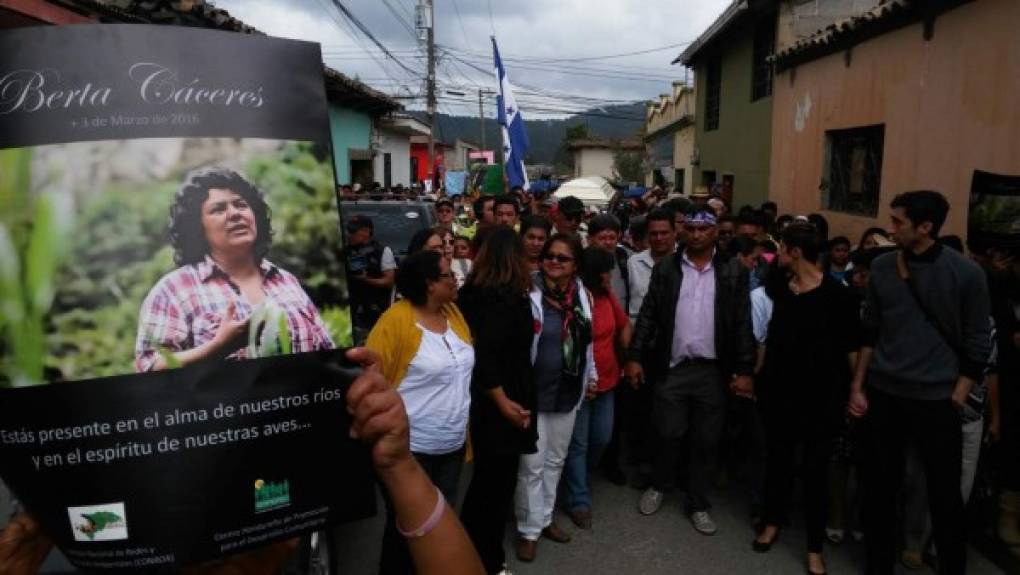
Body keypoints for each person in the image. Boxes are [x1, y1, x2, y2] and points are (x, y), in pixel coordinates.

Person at [848, 190, 992, 575]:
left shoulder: (966, 274)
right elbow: (870, 332)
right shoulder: (881, 268)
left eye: (898, 222)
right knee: (879, 490)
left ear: (925, 227)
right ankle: (877, 566)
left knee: (944, 497)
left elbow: (980, 340)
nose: (890, 229)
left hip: (937, 401)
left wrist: (958, 395)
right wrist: (858, 386)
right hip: (884, 395)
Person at [626, 209, 755, 536]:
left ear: (715, 232)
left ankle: (698, 503)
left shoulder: (732, 270)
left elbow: (741, 323)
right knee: (667, 432)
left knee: (705, 440)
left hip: (712, 371)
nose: (697, 234)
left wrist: (743, 369)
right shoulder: (667, 268)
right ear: (683, 231)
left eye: (704, 229)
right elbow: (649, 316)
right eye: (692, 228)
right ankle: (659, 484)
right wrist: (636, 356)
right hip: (673, 368)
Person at [135, 168, 334, 372]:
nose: (235, 213)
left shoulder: (287, 281)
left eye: (241, 204)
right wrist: (217, 347)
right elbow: (149, 367)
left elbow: (329, 353)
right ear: (197, 227)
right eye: (218, 209)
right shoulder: (175, 289)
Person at [751, 223, 861, 575]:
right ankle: (772, 523)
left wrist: (856, 391)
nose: (778, 253)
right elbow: (769, 340)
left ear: (796, 252)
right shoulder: (781, 289)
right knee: (778, 462)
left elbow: (852, 349)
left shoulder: (838, 294)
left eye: (783, 248)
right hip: (779, 393)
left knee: (816, 471)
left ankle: (814, 546)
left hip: (822, 399)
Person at [366, 250, 474, 575]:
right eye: (448, 275)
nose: (456, 280)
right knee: (407, 531)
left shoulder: (453, 312)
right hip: (411, 452)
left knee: (441, 525)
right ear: (429, 284)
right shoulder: (396, 320)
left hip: (451, 445)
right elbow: (371, 382)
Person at [458, 228, 538, 575]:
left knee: (488, 483)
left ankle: (473, 551)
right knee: (495, 487)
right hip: (499, 401)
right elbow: (486, 354)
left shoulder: (476, 292)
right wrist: (504, 402)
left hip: (493, 396)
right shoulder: (499, 298)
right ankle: (487, 560)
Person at [515, 233, 597, 562]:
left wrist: (592, 377)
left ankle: (545, 519)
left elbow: (587, 343)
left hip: (567, 391)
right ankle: (528, 529)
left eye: (562, 258)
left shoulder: (582, 295)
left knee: (554, 461)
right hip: (532, 392)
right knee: (531, 465)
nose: (552, 261)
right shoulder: (527, 289)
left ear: (575, 264)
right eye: (549, 255)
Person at [563, 247, 632, 526]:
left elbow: (625, 324)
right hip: (581, 385)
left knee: (602, 437)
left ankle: (575, 478)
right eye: (606, 271)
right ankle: (578, 498)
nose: (611, 276)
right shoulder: (573, 299)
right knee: (578, 444)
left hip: (609, 380)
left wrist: (627, 354)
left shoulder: (607, 296)